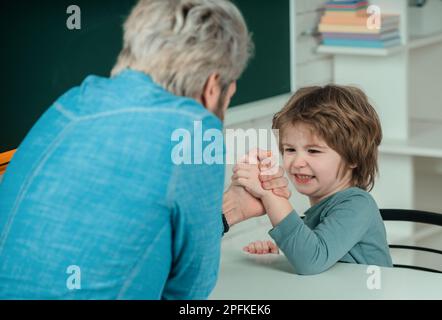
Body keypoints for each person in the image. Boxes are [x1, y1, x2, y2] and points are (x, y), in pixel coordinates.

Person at [0, 0, 288, 299]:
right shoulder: (193, 130)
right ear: (212, 87)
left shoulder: (68, 104)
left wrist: (231, 208)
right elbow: (187, 294)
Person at [232, 85, 393, 274]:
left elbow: (311, 260)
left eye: (313, 151)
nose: (298, 162)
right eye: (290, 149)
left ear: (352, 158)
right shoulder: (316, 212)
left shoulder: (358, 205)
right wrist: (284, 256)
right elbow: (322, 260)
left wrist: (270, 196)